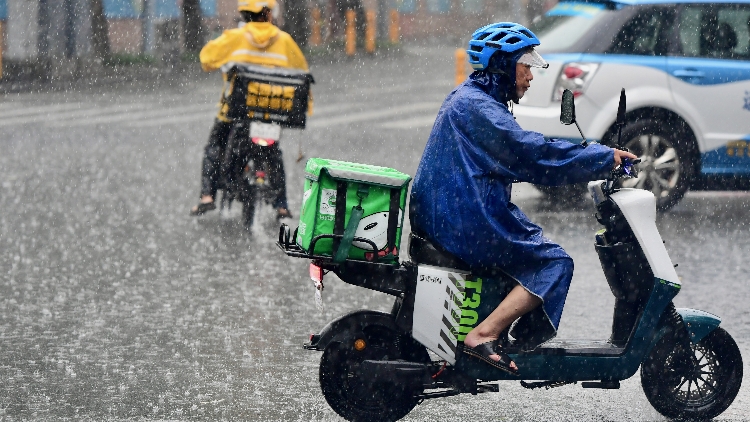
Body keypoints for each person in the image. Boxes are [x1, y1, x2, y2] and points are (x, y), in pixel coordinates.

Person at [409, 22, 637, 375]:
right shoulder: (479, 109)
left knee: (534, 253)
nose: (530, 76)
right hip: (465, 217)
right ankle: (484, 335)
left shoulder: (472, 98)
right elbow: (533, 156)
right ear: (501, 64)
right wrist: (602, 158)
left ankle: (495, 334)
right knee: (554, 264)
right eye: (525, 66)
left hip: (452, 211)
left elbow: (529, 153)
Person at [190, 0, 310, 219]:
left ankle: (207, 196)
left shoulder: (234, 38)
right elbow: (301, 72)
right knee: (274, 153)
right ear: (268, 13)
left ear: (244, 14)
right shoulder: (284, 41)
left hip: (237, 111)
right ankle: (281, 205)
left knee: (214, 147)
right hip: (273, 111)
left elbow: (206, 59)